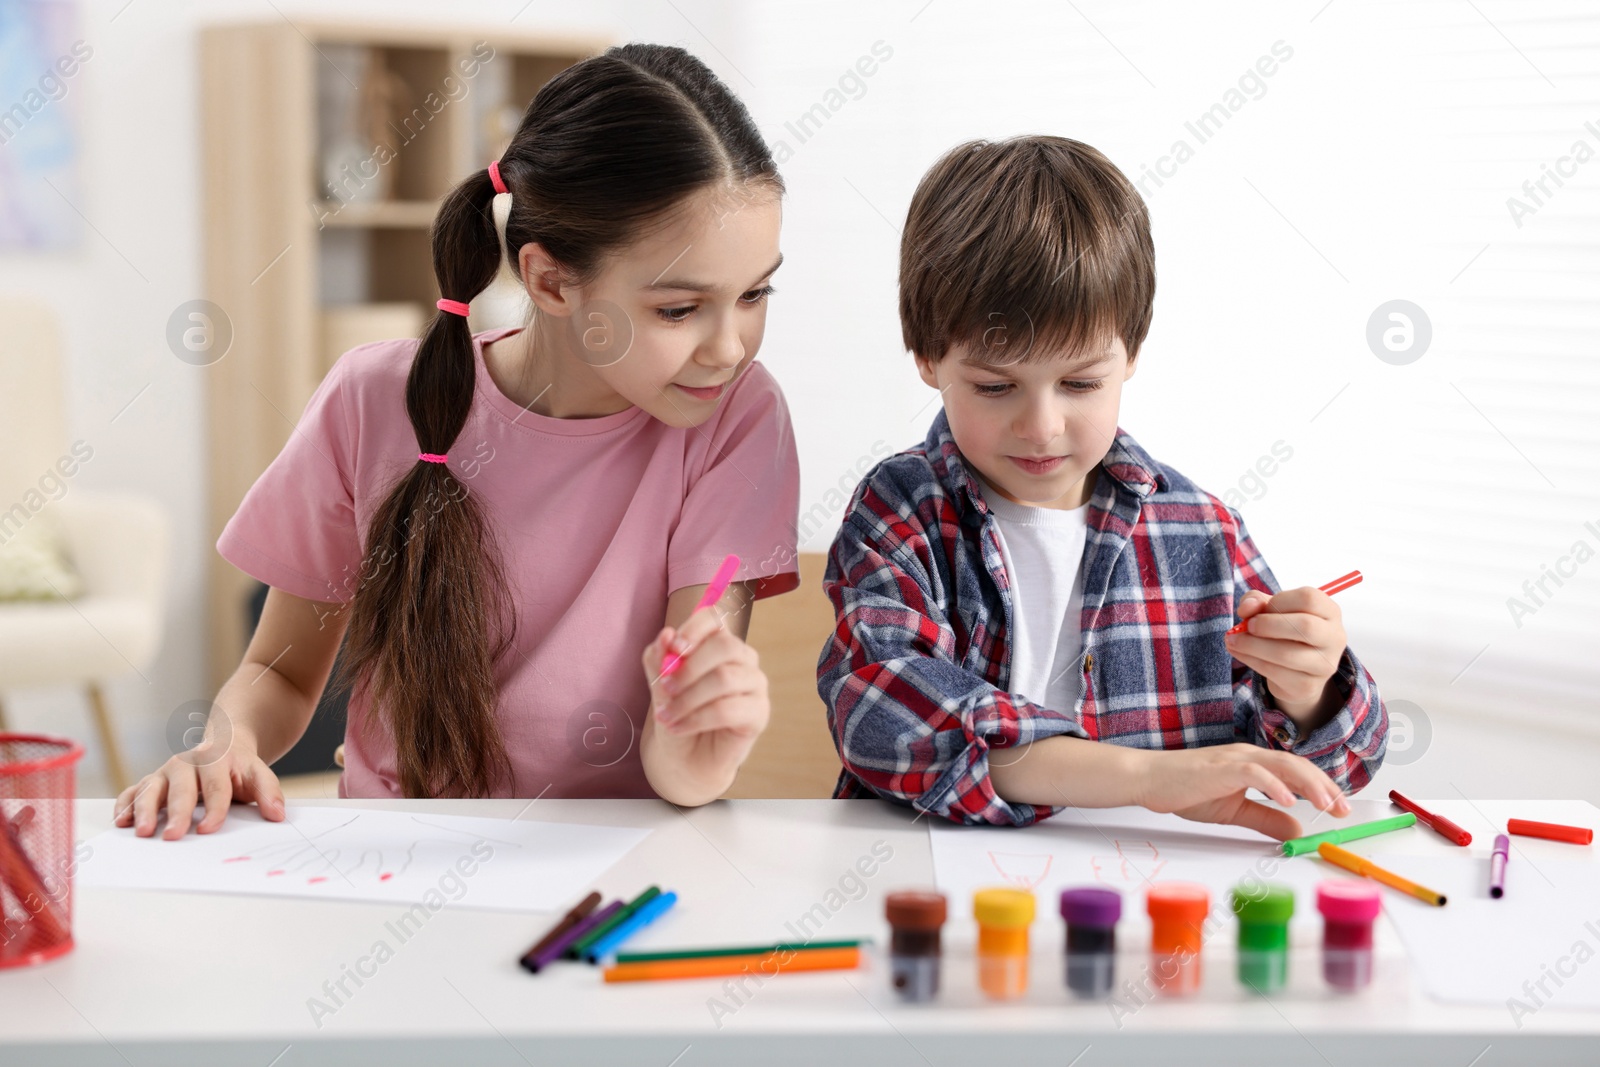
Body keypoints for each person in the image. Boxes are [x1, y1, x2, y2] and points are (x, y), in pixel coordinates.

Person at [117, 44, 799, 838]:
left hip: (605, 875)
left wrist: (701, 744)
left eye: (755, 293)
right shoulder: (371, 399)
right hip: (396, 859)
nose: (729, 347)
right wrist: (223, 747)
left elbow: (680, 749)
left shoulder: (737, 418)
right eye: (680, 310)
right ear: (549, 281)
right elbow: (279, 668)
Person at [817, 136, 1387, 839]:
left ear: (1132, 354)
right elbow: (882, 717)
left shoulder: (1200, 532)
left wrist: (1307, 691)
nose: (1041, 425)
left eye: (1081, 383)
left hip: (1149, 899)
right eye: (996, 386)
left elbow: (1344, 770)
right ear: (929, 358)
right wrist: (1145, 779)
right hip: (931, 886)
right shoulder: (901, 510)